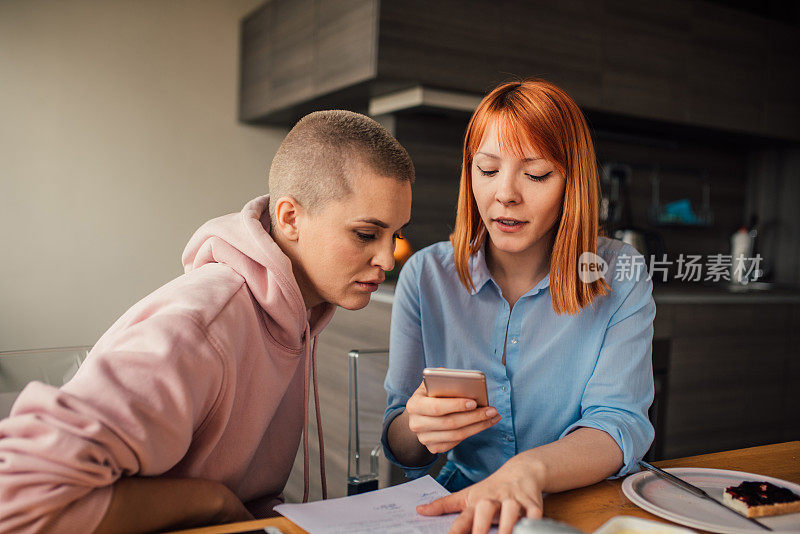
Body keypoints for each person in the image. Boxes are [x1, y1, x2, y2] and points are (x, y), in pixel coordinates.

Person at [0, 110, 414, 534]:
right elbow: (18, 495)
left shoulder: (297, 317)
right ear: (290, 218)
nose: (387, 259)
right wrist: (213, 501)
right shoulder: (202, 325)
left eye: (396, 236)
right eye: (366, 234)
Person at [382, 79, 655, 534]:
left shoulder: (618, 272)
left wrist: (529, 470)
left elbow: (620, 423)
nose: (505, 194)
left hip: (581, 505)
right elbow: (400, 443)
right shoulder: (425, 275)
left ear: (572, 181)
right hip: (468, 504)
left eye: (536, 175)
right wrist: (417, 426)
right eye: (487, 171)